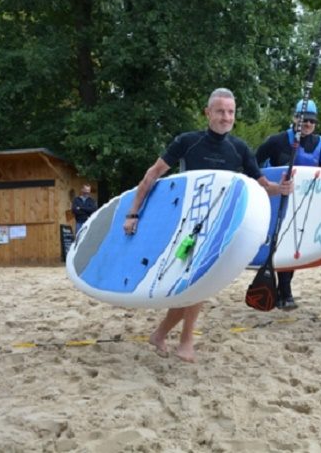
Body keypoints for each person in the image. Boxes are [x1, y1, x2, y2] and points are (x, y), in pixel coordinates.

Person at [122, 88, 292, 362]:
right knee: (196, 285)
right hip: (185, 228)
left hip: (217, 229)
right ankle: (181, 340)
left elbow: (264, 187)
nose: (226, 117)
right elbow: (153, 175)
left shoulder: (239, 149)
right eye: (220, 111)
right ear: (208, 113)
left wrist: (280, 188)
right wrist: (133, 213)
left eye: (231, 112)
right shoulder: (187, 142)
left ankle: (167, 336)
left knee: (200, 284)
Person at [255, 99, 321, 310]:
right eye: (303, 119)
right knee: (278, 243)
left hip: (303, 203)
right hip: (278, 199)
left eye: (311, 121)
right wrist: (266, 185)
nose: (307, 124)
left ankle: (284, 289)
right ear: (294, 118)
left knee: (293, 244)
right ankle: (283, 291)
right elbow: (253, 163)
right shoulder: (277, 141)